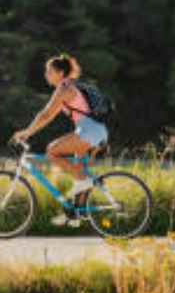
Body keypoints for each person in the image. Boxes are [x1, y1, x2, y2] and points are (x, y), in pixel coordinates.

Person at [10, 54, 108, 228]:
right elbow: (49, 117)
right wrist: (31, 131)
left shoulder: (64, 89)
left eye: (49, 71)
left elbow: (45, 115)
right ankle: (77, 213)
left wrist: (27, 132)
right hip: (90, 130)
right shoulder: (68, 87)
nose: (46, 75)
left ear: (61, 73)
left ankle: (84, 183)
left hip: (89, 131)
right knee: (80, 170)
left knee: (52, 150)